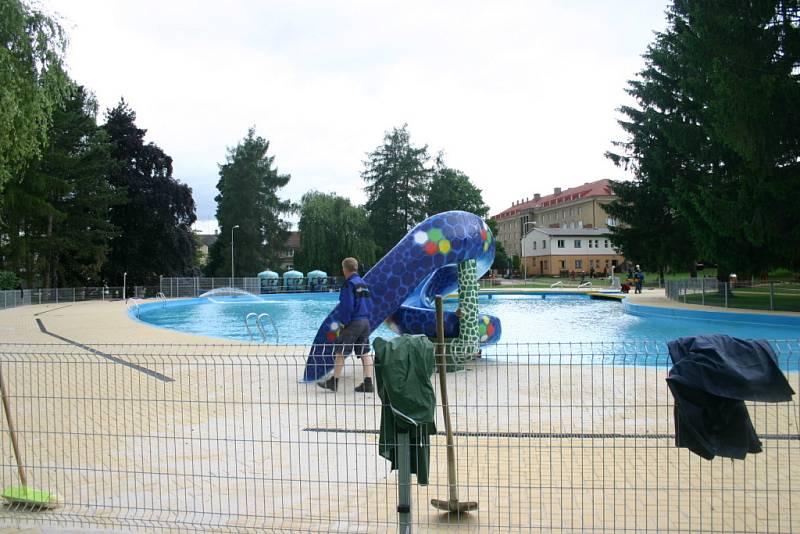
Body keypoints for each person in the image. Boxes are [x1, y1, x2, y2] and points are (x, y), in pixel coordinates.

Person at [318, 257, 374, 393]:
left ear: (345, 269)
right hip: (365, 321)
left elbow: (347, 306)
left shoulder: (349, 284)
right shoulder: (363, 284)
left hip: (353, 322)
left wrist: (343, 323)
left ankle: (334, 382)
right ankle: (368, 383)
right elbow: (370, 304)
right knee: (365, 352)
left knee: (340, 351)